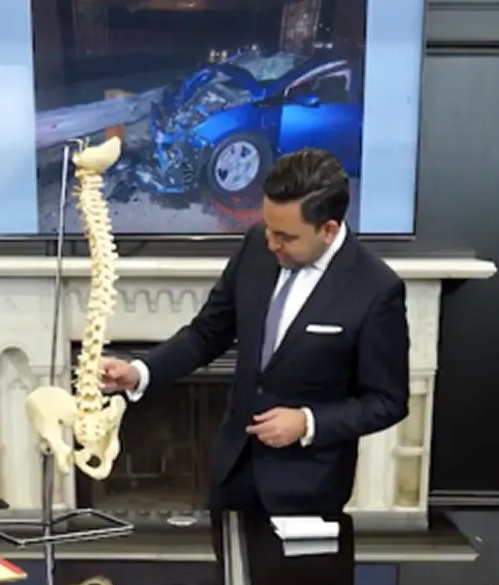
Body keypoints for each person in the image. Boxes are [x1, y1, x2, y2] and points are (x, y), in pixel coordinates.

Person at [97, 148, 407, 515]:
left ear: (329, 230)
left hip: (307, 488)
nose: (271, 243)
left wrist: (308, 422)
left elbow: (387, 401)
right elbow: (206, 334)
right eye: (268, 228)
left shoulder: (376, 289)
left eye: (286, 237)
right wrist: (139, 372)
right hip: (232, 471)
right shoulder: (257, 248)